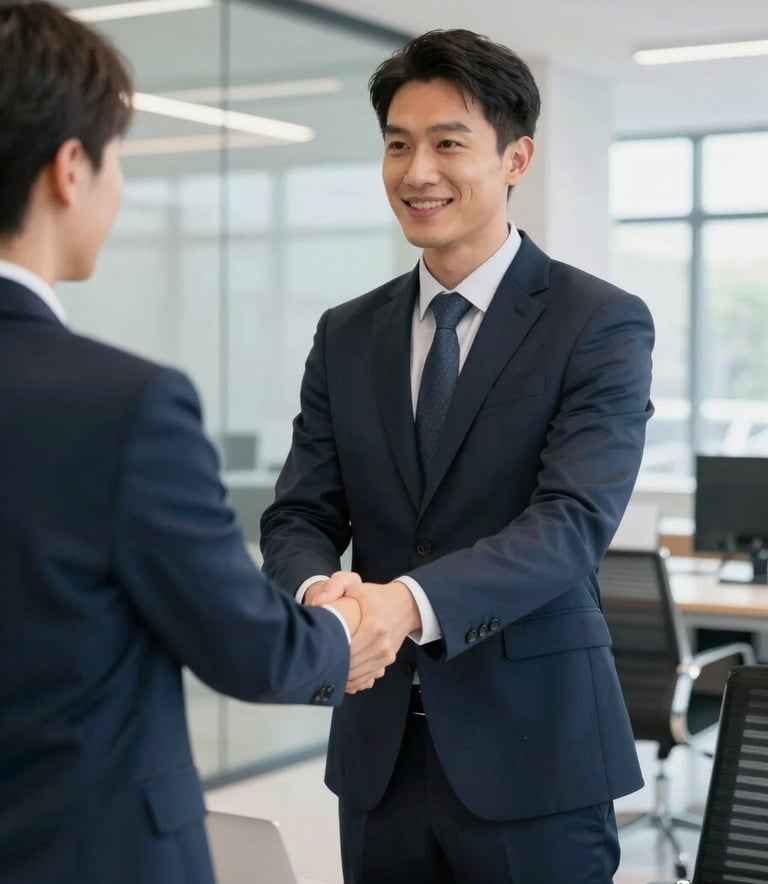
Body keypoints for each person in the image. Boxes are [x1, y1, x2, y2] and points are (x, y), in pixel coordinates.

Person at [0, 4, 390, 882]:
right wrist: (343, 630)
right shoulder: (122, 404)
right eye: (118, 159)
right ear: (71, 168)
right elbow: (249, 648)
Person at [260, 28, 655, 884]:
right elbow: (299, 512)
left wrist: (403, 603)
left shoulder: (598, 323)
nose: (417, 171)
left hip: (536, 754)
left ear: (516, 159)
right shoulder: (346, 332)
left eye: (448, 143)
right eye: (398, 145)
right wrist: (321, 591)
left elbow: (571, 525)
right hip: (378, 758)